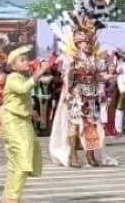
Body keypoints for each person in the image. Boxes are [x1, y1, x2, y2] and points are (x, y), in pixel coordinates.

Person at [49, 29, 115, 168]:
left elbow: (98, 76)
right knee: (74, 123)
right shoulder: (72, 58)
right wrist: (69, 91)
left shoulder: (95, 59)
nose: (88, 45)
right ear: (78, 43)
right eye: (85, 42)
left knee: (92, 125)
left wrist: (106, 79)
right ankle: (73, 155)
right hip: (76, 96)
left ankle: (90, 154)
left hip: (91, 96)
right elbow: (67, 76)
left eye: (90, 42)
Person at [0, 45, 49, 203]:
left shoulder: (22, 76)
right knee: (22, 155)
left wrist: (32, 112)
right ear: (13, 65)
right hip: (12, 121)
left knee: (22, 156)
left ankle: (8, 195)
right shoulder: (13, 77)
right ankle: (13, 197)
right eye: (22, 60)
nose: (27, 62)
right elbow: (23, 89)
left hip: (22, 120)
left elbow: (21, 99)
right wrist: (40, 71)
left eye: (27, 59)